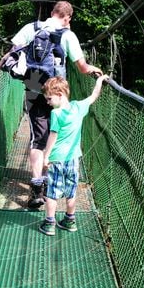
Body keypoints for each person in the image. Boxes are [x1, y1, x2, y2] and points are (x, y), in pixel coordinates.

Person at [0, 1, 103, 208]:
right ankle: (57, 179)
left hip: (34, 87)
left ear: (52, 13)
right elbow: (81, 67)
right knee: (57, 133)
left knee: (37, 138)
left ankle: (36, 188)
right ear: (68, 18)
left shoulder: (31, 27)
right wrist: (95, 70)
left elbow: (13, 52)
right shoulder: (68, 35)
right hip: (57, 92)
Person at [39, 74, 109, 236]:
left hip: (57, 159)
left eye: (49, 99)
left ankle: (50, 223)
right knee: (71, 191)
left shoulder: (56, 114)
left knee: (52, 192)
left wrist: (46, 156)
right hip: (73, 158)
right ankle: (70, 220)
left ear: (59, 95)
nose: (48, 103)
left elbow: (53, 136)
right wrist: (100, 80)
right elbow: (94, 96)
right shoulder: (78, 107)